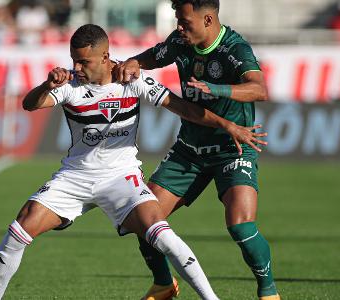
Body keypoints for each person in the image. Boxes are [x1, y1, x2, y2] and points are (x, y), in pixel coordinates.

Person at [0, 24, 267, 300]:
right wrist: (46, 85)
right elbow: (30, 104)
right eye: (74, 61)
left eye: (84, 62)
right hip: (75, 177)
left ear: (106, 57)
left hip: (121, 177)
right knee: (21, 227)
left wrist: (228, 125)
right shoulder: (69, 84)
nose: (77, 68)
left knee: (162, 235)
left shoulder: (131, 79)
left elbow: (183, 108)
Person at [115, 1, 279, 299]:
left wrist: (217, 89)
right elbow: (155, 55)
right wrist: (134, 62)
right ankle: (164, 284)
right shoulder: (180, 41)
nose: (179, 26)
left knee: (241, 226)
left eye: (184, 21)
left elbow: (259, 89)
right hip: (188, 150)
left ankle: (268, 291)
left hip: (233, 148)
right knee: (143, 219)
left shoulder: (234, 49)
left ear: (207, 19)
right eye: (178, 19)